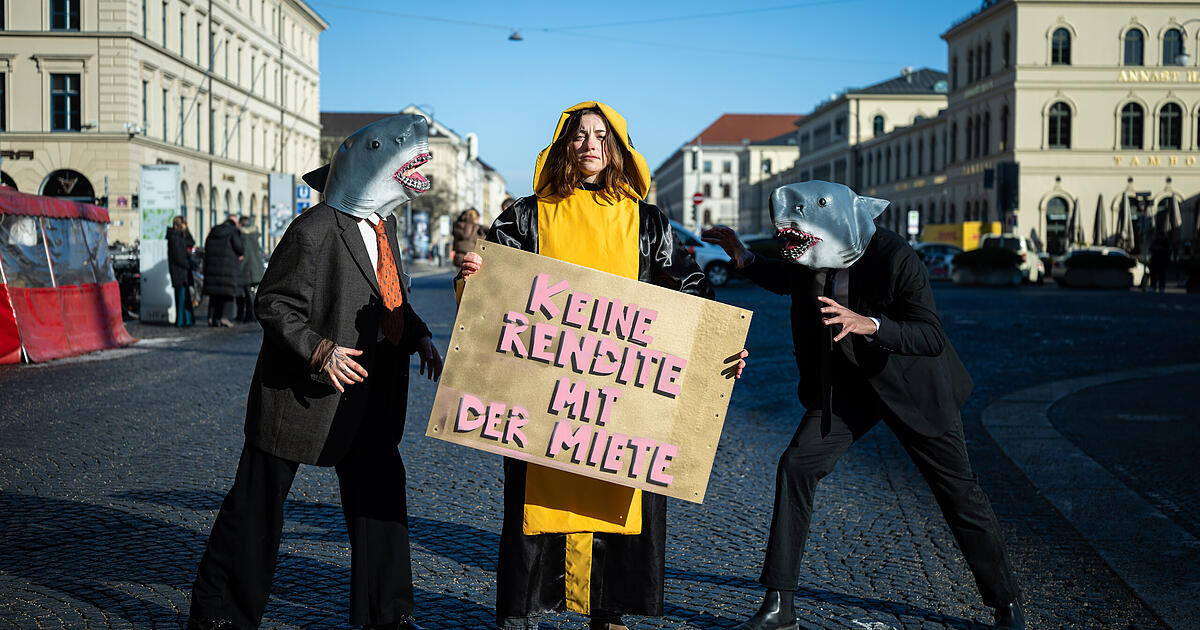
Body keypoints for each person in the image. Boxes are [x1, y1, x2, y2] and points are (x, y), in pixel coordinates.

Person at [459, 101, 745, 630]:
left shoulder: (646, 221)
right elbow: (487, 291)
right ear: (564, 144)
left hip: (622, 392)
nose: (590, 144)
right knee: (531, 497)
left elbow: (687, 292)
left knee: (622, 487)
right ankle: (519, 610)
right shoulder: (525, 215)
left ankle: (608, 610)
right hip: (541, 389)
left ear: (616, 148)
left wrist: (717, 350)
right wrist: (474, 274)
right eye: (580, 135)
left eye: (602, 136)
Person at [702, 181, 1024, 630]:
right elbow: (788, 278)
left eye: (800, 237)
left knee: (959, 495)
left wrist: (869, 324)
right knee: (796, 466)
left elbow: (930, 335)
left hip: (912, 386)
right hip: (847, 388)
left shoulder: (895, 256)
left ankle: (1006, 603)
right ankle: (780, 607)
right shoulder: (812, 254)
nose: (795, 246)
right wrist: (747, 258)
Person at [186, 113, 442, 630]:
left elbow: (387, 295)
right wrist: (319, 350)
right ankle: (221, 615)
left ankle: (387, 615)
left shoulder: (384, 226)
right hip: (300, 395)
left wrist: (418, 334)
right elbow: (274, 303)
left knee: (380, 503)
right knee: (256, 508)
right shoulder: (315, 228)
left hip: (369, 394)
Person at [201, 215, 244, 327]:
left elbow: (206, 247)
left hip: (213, 269)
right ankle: (225, 317)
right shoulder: (233, 232)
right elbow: (239, 248)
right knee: (228, 294)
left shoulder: (213, 231)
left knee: (214, 295)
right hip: (228, 268)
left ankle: (211, 317)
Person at [167, 216, 195, 327]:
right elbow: (178, 256)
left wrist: (186, 230)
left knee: (184, 296)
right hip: (179, 271)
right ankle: (181, 320)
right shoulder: (175, 237)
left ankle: (186, 320)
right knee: (181, 297)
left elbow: (191, 242)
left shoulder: (179, 236)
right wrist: (189, 265)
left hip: (182, 271)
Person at [235, 215, 266, 322]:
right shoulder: (254, 233)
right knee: (253, 292)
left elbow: (246, 252)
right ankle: (252, 315)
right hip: (257, 265)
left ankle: (250, 316)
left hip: (248, 267)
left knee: (247, 292)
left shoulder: (243, 235)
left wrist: (241, 266)